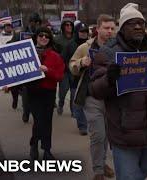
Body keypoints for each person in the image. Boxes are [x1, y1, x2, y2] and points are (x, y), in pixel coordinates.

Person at [88, 3, 147, 180]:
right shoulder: (108, 52)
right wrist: (109, 79)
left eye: (141, 23)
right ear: (122, 28)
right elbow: (95, 89)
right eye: (132, 23)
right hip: (124, 132)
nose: (138, 26)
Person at [69, 14, 116, 180]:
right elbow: (72, 65)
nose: (110, 31)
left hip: (112, 99)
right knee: (98, 135)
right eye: (106, 28)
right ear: (97, 29)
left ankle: (102, 163)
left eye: (112, 28)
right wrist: (82, 63)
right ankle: (98, 172)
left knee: (107, 136)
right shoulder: (85, 47)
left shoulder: (119, 47)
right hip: (92, 97)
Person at [28, 27, 64, 160]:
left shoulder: (55, 56)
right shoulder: (27, 53)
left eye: (47, 36)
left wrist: (47, 70)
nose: (44, 38)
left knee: (47, 121)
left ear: (50, 39)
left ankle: (47, 150)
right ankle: (34, 145)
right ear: (36, 37)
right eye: (41, 35)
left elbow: (60, 76)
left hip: (48, 91)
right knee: (38, 120)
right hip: (32, 91)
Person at [54, 17, 77, 116]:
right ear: (63, 27)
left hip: (75, 69)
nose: (69, 27)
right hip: (63, 69)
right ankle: (61, 103)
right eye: (66, 25)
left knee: (74, 92)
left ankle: (73, 110)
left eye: (70, 25)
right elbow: (55, 54)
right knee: (63, 90)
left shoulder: (76, 38)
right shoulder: (57, 39)